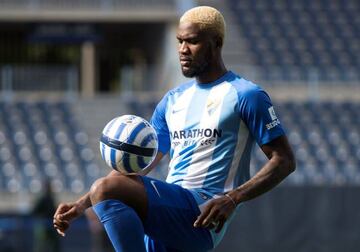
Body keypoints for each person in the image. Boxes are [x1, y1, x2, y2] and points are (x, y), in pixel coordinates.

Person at [53, 6, 295, 252]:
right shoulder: (172, 100)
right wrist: (82, 204)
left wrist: (234, 198)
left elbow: (284, 160)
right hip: (168, 214)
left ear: (217, 43)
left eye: (192, 42)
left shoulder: (246, 95)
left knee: (105, 188)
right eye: (180, 41)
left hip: (203, 212)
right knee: (107, 188)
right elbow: (139, 167)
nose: (182, 50)